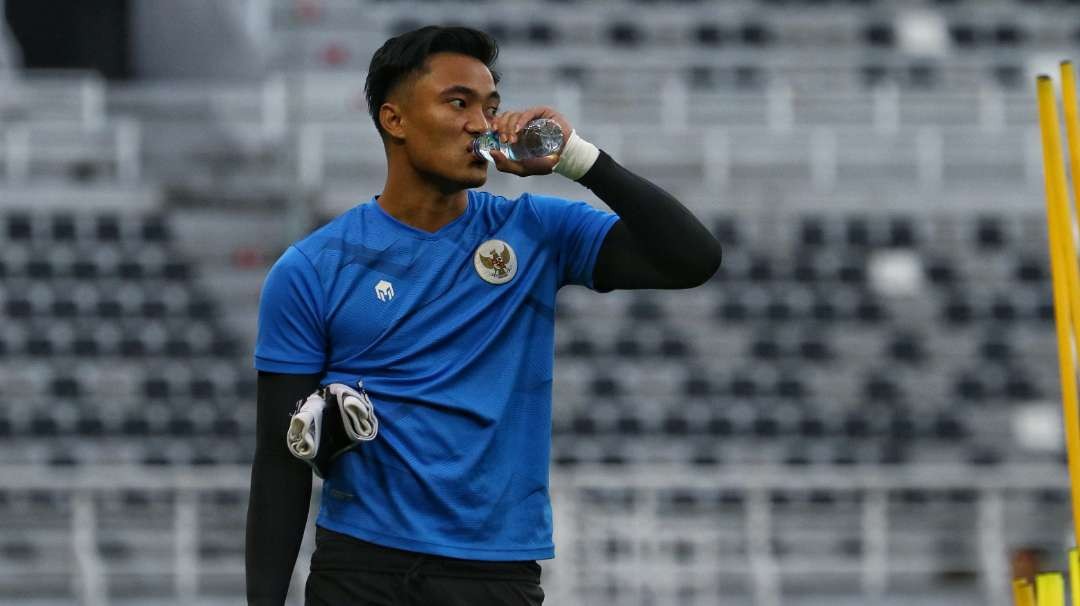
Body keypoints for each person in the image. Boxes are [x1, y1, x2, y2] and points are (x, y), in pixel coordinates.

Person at [245, 25, 721, 605]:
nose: (482, 124)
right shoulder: (313, 268)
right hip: (360, 568)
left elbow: (693, 259)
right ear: (395, 121)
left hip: (496, 574)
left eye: (490, 107)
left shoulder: (537, 230)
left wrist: (578, 159)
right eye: (458, 103)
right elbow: (280, 460)